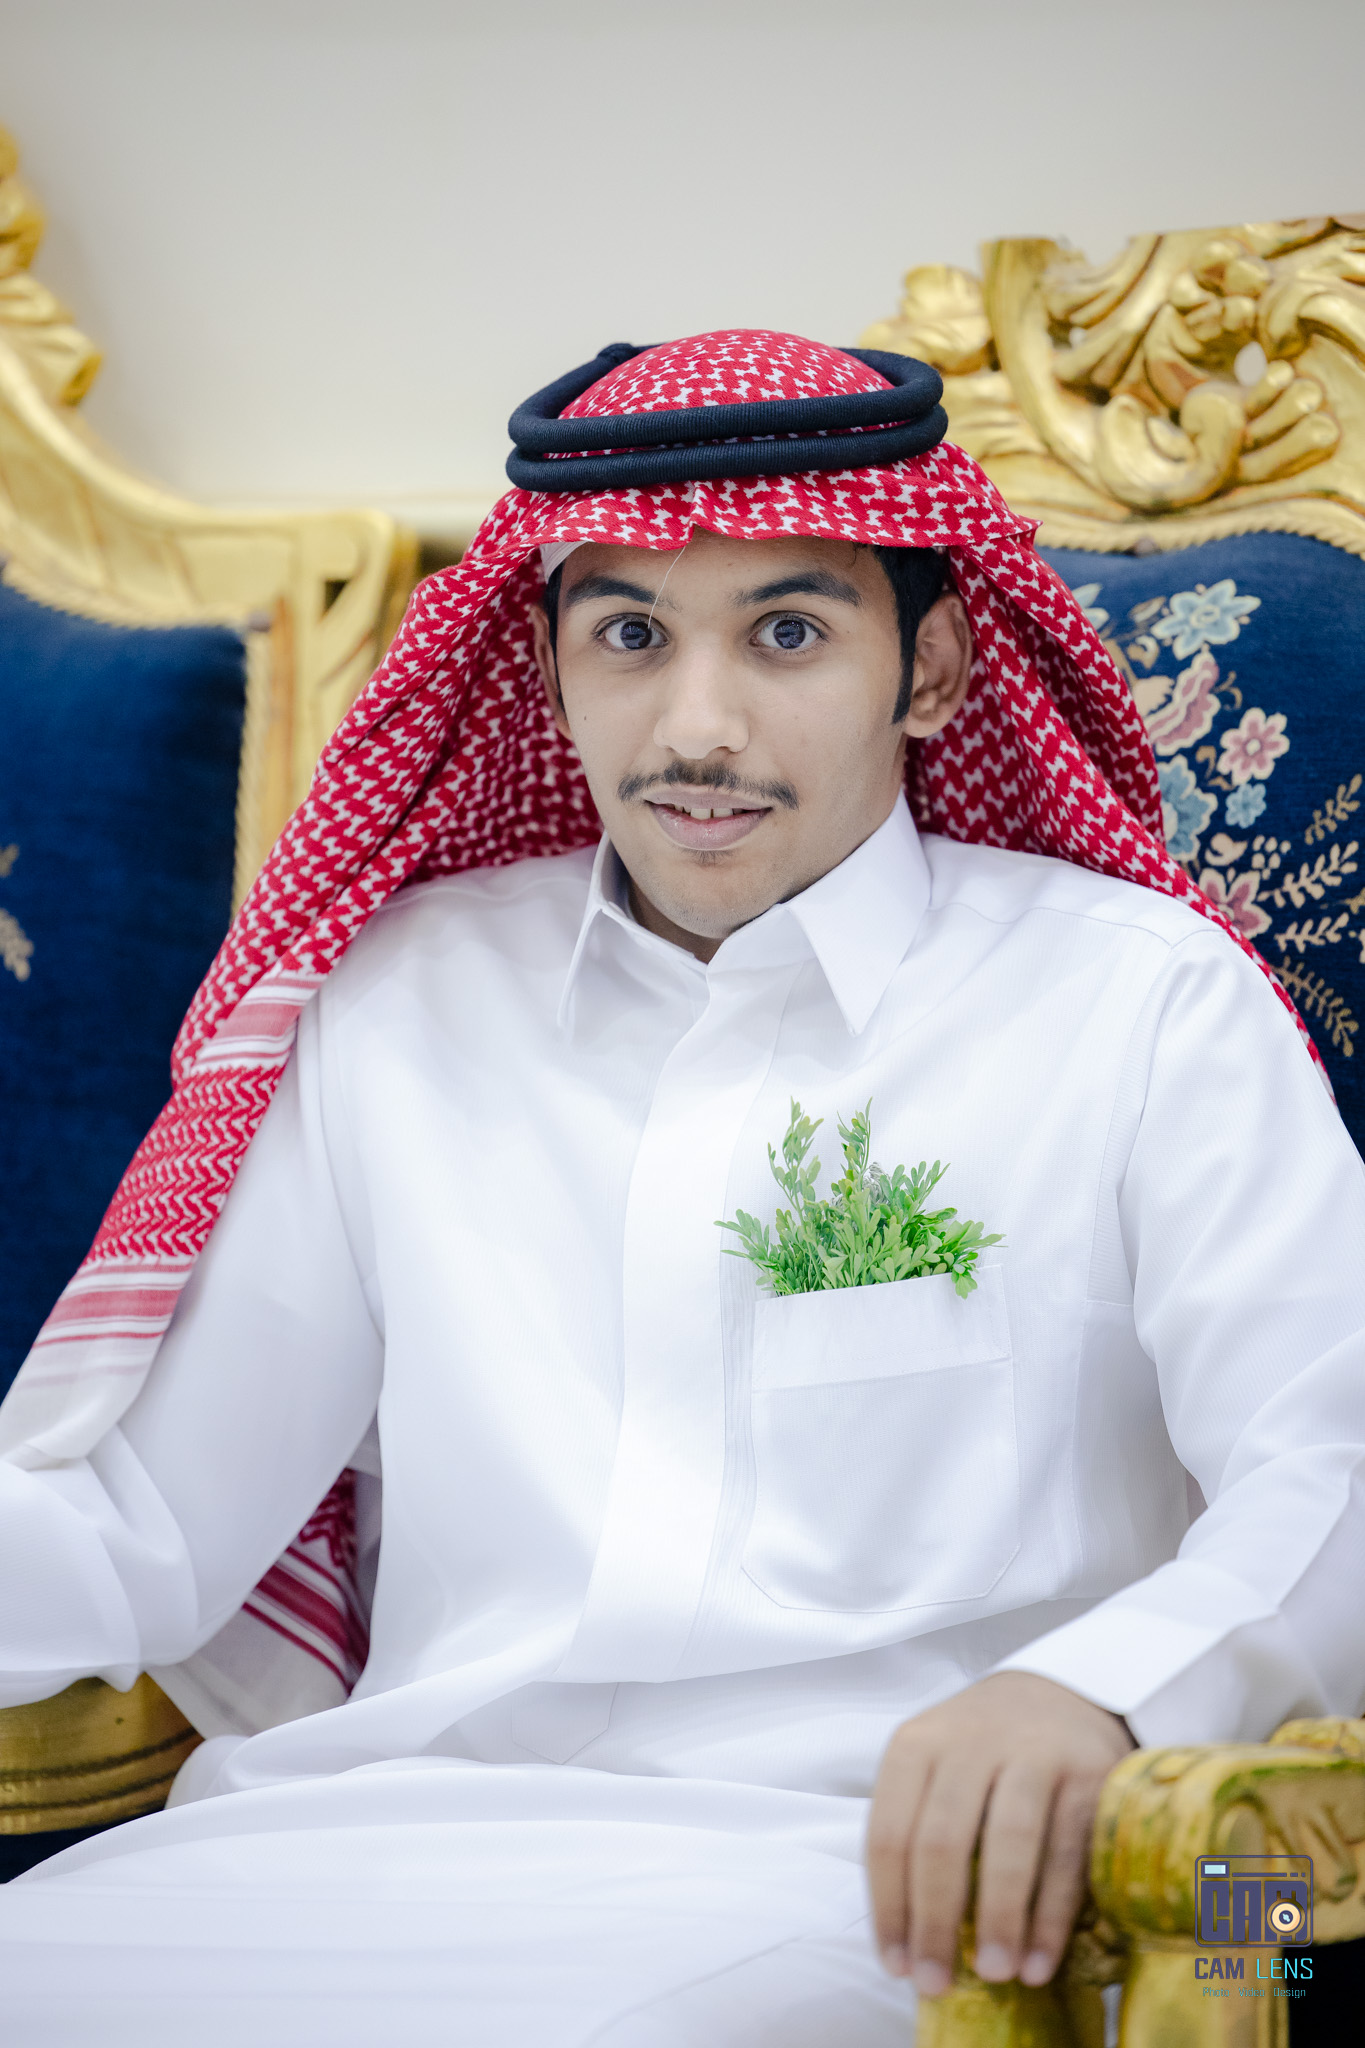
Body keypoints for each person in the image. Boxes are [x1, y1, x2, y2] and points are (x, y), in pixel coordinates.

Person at [1, 331, 1363, 2047]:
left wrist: (1099, 1697)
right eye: (630, 635)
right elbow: (138, 1515)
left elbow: (1333, 1470)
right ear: (548, 667)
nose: (695, 727)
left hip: (885, 1881)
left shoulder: (1136, 1001)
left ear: (931, 670)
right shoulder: (397, 1004)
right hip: (342, 1846)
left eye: (786, 633)